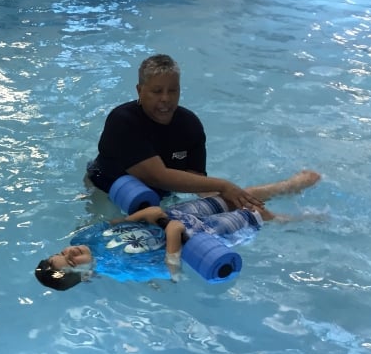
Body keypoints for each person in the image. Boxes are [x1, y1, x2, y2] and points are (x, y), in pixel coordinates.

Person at [35, 170, 321, 290]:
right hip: (201, 237)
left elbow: (121, 222)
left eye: (63, 252)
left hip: (175, 215)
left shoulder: (83, 239)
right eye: (72, 261)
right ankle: (302, 220)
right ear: (86, 275)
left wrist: (147, 216)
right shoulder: (124, 269)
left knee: (237, 196)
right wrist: (166, 227)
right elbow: (173, 263)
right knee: (256, 214)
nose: (72, 251)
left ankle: (287, 186)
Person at [86, 54, 266, 212]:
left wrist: (235, 201)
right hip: (106, 189)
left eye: (173, 90)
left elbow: (197, 181)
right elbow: (157, 177)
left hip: (158, 196)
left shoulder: (190, 125)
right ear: (140, 91)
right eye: (157, 91)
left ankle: (287, 195)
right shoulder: (123, 120)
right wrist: (223, 185)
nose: (166, 98)